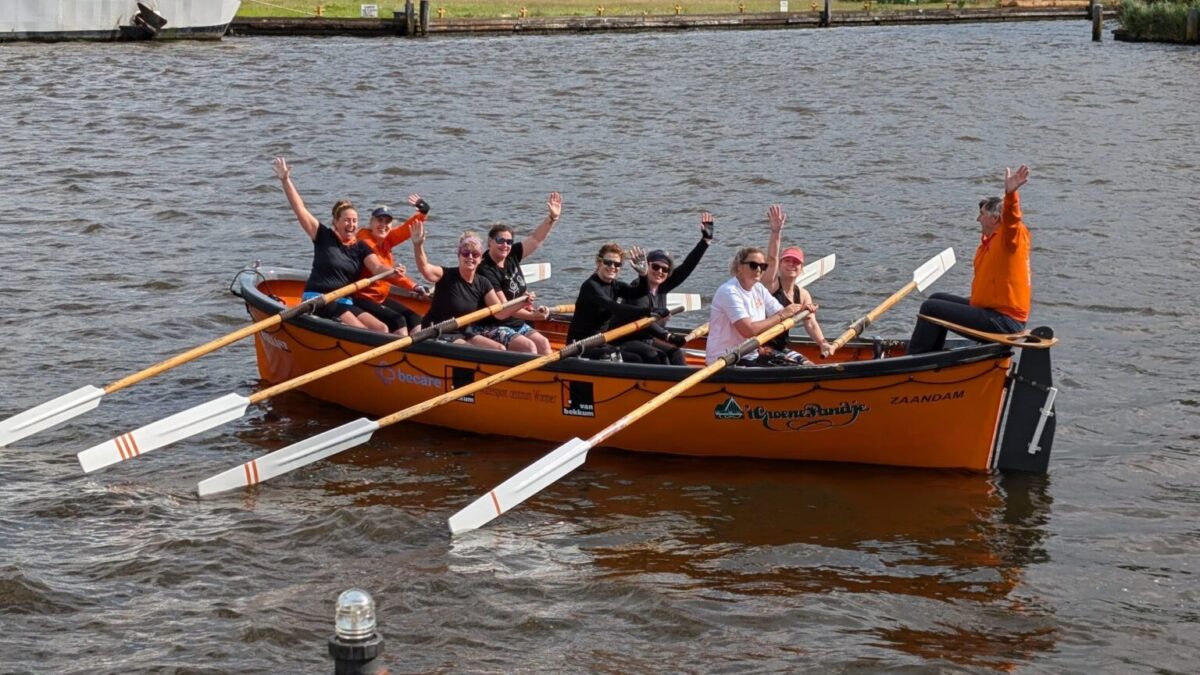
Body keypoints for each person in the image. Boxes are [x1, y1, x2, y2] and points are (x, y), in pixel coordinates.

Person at [908, 164, 1033, 355]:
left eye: (982, 214)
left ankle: (913, 361)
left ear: (995, 219)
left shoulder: (1010, 239)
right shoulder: (989, 243)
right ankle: (931, 354)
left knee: (930, 308)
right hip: (992, 311)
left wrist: (1011, 194)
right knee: (936, 299)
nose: (977, 219)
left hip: (1004, 321)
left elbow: (1012, 220)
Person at [272, 156, 397, 332]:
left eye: (354, 221)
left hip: (344, 300)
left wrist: (393, 272)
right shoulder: (323, 236)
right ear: (336, 222)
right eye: (346, 220)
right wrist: (285, 180)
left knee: (381, 328)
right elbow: (300, 209)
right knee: (360, 330)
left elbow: (377, 268)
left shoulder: (361, 247)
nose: (351, 225)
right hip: (318, 298)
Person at [410, 223, 531, 349]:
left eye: (475, 254)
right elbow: (424, 268)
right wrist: (418, 245)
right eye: (465, 253)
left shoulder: (483, 283)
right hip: (438, 330)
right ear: (459, 255)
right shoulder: (445, 275)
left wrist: (521, 302)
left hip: (464, 331)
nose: (470, 257)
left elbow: (499, 313)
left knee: (500, 349)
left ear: (480, 259)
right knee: (470, 349)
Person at [616, 211, 714, 365]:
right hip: (625, 338)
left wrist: (705, 241)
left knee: (676, 354)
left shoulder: (663, 286)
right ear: (646, 266)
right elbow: (645, 322)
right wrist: (668, 336)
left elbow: (687, 267)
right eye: (655, 266)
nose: (660, 272)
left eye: (665, 269)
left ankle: (682, 385)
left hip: (647, 338)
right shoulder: (637, 288)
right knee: (656, 356)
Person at [472, 192, 563, 355]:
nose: (505, 245)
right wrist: (534, 316)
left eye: (509, 242)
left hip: (515, 321)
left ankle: (546, 378)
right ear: (490, 242)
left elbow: (535, 240)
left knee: (543, 343)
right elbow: (503, 308)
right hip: (492, 324)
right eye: (500, 241)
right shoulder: (485, 269)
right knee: (528, 347)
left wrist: (552, 218)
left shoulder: (512, 254)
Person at [705, 246, 807, 366]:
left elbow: (782, 312)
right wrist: (782, 315)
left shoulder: (758, 288)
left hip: (750, 354)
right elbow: (748, 330)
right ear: (739, 267)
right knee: (788, 372)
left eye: (763, 266)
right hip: (725, 360)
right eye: (753, 265)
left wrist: (802, 309)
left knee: (800, 365)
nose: (759, 269)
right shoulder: (729, 291)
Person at [567, 244, 667, 363]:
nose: (612, 267)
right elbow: (614, 307)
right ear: (599, 263)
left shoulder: (615, 285)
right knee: (634, 359)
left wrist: (643, 275)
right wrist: (649, 311)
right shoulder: (590, 286)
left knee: (649, 356)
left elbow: (638, 292)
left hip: (602, 341)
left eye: (617, 264)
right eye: (608, 262)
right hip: (580, 345)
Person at [762, 204, 833, 364]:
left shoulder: (803, 294)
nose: (791, 264)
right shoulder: (770, 285)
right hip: (758, 346)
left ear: (801, 269)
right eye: (787, 260)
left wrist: (822, 343)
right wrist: (776, 232)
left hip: (780, 348)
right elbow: (771, 260)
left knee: (809, 365)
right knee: (804, 368)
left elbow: (811, 323)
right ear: (780, 265)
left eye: (796, 262)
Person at [352, 197, 430, 337]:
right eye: (379, 220)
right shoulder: (365, 240)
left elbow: (405, 230)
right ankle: (399, 354)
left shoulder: (386, 240)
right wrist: (412, 285)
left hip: (379, 298)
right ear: (371, 223)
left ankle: (416, 354)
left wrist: (422, 213)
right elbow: (383, 270)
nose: (383, 225)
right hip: (361, 297)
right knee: (398, 321)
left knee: (415, 319)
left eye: (387, 222)